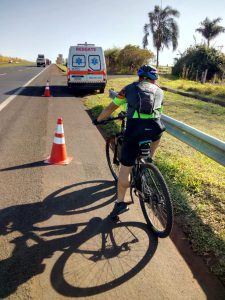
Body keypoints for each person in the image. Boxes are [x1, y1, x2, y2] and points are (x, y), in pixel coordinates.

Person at [93, 65, 165, 218]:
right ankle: (149, 160)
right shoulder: (160, 91)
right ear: (154, 78)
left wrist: (98, 120)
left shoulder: (127, 89)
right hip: (155, 128)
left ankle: (120, 203)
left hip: (134, 130)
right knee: (156, 135)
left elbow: (111, 107)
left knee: (125, 170)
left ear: (139, 77)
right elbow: (158, 112)